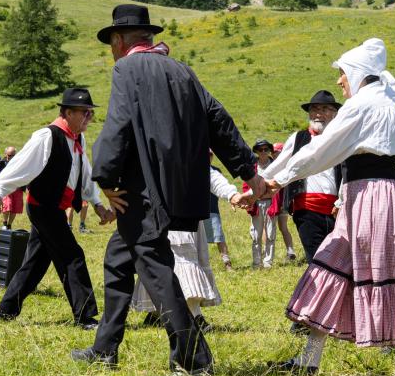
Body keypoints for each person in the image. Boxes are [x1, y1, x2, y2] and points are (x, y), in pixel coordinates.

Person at [72, 3, 264, 376]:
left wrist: (107, 178)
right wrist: (248, 170)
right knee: (118, 259)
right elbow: (218, 119)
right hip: (179, 190)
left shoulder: (127, 68)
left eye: (111, 42)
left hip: (141, 192)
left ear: (118, 39)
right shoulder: (182, 71)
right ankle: (105, 348)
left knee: (155, 267)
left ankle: (193, 356)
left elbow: (119, 122)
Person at [261, 38, 395, 376]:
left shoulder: (362, 107)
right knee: (333, 264)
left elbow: (321, 150)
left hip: (373, 196)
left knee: (387, 272)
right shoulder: (389, 106)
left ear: (356, 73)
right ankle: (310, 359)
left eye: (343, 74)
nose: (340, 82)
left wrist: (276, 181)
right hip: (373, 196)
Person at [0, 88, 111, 328]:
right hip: (43, 207)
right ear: (67, 112)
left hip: (55, 207)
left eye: (90, 113)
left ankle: (4, 312)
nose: (89, 118)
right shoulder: (46, 136)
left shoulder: (77, 139)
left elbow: (83, 173)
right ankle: (85, 316)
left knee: (34, 265)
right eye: (84, 113)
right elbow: (21, 166)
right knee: (73, 256)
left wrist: (96, 203)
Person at [133, 166, 244, 332]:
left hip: (188, 211)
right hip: (164, 211)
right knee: (176, 259)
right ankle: (192, 317)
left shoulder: (189, 148)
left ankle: (160, 314)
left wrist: (230, 193)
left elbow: (207, 173)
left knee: (188, 259)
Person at [265, 90, 344, 263]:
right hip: (307, 209)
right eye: (314, 109)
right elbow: (276, 167)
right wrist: (256, 183)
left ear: (335, 114)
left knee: (338, 262)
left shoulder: (340, 139)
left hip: (337, 212)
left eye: (325, 109)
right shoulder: (298, 138)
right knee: (316, 260)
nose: (318, 114)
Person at [246, 139, 277, 268]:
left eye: (266, 149)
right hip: (257, 203)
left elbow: (280, 184)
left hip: (271, 202)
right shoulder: (252, 166)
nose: (263, 152)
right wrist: (250, 200)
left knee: (270, 233)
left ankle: (268, 262)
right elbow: (245, 184)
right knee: (256, 234)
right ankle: (257, 262)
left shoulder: (275, 165)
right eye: (260, 150)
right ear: (257, 151)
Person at [205, 163, 234, 269]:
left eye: (210, 154)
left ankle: (227, 263)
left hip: (212, 209)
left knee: (219, 237)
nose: (208, 156)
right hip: (196, 210)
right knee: (197, 239)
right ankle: (202, 264)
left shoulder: (216, 170)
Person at [0, 146, 24, 229]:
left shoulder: (20, 162)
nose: (11, 157)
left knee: (15, 207)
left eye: (13, 155)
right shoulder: (2, 162)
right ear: (6, 154)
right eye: (9, 155)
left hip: (17, 187)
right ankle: (5, 223)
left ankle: (9, 225)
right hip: (7, 187)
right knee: (7, 205)